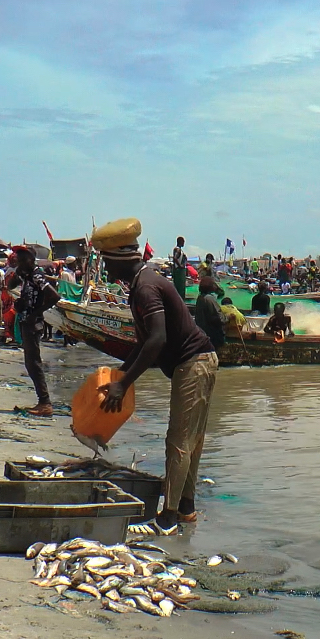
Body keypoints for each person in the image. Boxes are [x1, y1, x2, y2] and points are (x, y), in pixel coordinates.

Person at [94, 218, 218, 535]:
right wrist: (119, 378)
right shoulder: (141, 284)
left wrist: (124, 383)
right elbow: (142, 343)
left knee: (178, 442)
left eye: (106, 262)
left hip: (193, 362)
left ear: (121, 258)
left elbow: (157, 339)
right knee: (191, 441)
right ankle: (186, 509)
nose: (106, 270)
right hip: (195, 361)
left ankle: (168, 517)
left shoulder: (146, 288)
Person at [7, 245, 59, 417]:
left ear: (31, 259)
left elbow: (54, 296)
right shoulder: (26, 274)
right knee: (30, 363)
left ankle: (45, 403)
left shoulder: (37, 275)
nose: (20, 262)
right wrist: (18, 271)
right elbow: (10, 285)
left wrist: (35, 314)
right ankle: (43, 401)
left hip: (33, 323)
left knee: (34, 363)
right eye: (18, 259)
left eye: (23, 259)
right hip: (26, 321)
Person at [194, 282, 227, 349]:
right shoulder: (210, 299)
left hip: (203, 332)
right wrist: (228, 317)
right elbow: (220, 318)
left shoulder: (200, 297)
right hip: (213, 334)